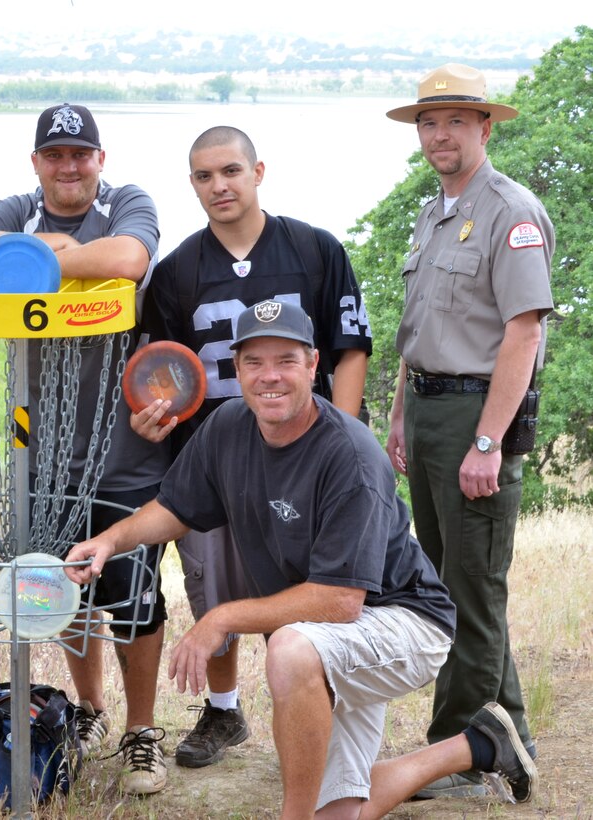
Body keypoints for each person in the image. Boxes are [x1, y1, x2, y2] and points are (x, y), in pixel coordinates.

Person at [66, 300, 538, 814]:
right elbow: (175, 508)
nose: (270, 377)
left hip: (404, 621)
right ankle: (481, 744)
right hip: (329, 634)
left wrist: (221, 618)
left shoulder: (350, 455)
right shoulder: (228, 426)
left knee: (289, 650)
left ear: (314, 365)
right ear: (236, 368)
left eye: (286, 360)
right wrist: (111, 540)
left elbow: (340, 601)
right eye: (254, 362)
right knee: (336, 812)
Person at [130, 125, 373, 769]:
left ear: (259, 171)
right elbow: (160, 372)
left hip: (306, 453)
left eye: (231, 171)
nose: (220, 186)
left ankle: (326, 712)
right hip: (216, 461)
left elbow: (350, 350)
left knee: (314, 592)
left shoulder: (314, 249)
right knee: (214, 587)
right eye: (205, 177)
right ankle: (224, 707)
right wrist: (153, 419)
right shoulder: (179, 269)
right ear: (192, 185)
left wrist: (340, 438)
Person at [0, 102, 171, 794]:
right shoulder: (16, 206)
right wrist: (67, 259)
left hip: (125, 451)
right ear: (36, 161)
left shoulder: (126, 201)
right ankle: (91, 711)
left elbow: (129, 259)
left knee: (132, 597)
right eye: (54, 155)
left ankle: (141, 732)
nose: (68, 166)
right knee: (62, 588)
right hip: (35, 452)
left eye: (80, 154)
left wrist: (30, 260)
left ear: (99, 159)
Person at [384, 63, 555, 799]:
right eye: (429, 121)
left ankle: (459, 756)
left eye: (456, 120)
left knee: (469, 590)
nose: (439, 134)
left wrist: (488, 441)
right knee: (452, 581)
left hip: (474, 414)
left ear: (485, 127)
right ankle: (506, 730)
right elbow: (417, 329)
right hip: (426, 408)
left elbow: (521, 334)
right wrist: (397, 413)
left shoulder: (510, 211)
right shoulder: (433, 212)